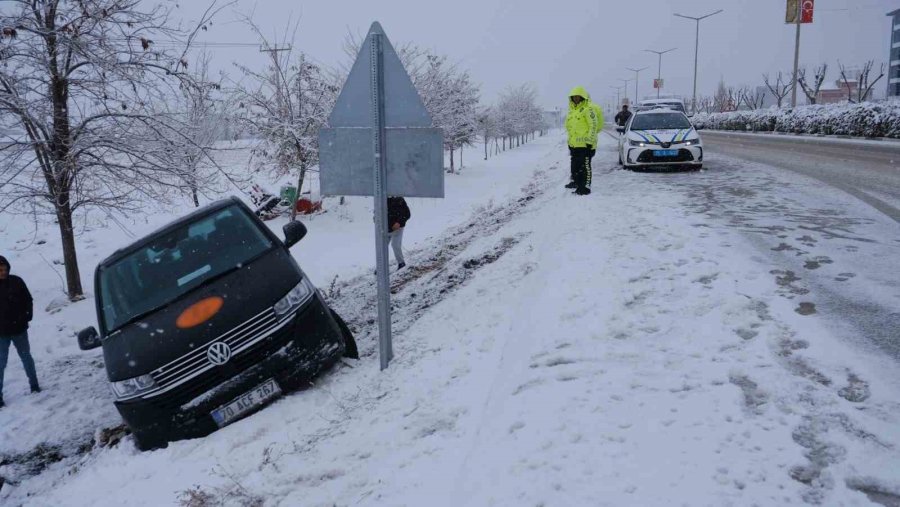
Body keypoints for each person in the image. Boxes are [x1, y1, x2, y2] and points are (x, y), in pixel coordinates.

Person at [0, 255, 40, 409]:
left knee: (26, 358)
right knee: (0, 364)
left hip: (19, 330)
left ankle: (34, 385)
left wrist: (27, 316)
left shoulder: (16, 281)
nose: (2, 272)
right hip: (1, 333)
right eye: (0, 270)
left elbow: (28, 299)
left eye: (4, 269)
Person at [565, 86, 598, 195]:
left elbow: (593, 125)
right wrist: (570, 143)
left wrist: (589, 142)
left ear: (582, 97)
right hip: (574, 145)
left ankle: (585, 188)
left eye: (578, 97)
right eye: (574, 97)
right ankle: (578, 184)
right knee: (575, 167)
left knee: (585, 167)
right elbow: (570, 129)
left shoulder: (588, 109)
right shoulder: (572, 112)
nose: (576, 99)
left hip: (585, 145)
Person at [387, 197, 411, 270]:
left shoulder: (399, 199)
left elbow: (407, 214)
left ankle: (401, 263)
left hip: (398, 228)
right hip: (385, 228)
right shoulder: (382, 199)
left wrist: (399, 222)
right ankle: (381, 265)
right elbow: (377, 212)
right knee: (382, 247)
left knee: (395, 244)